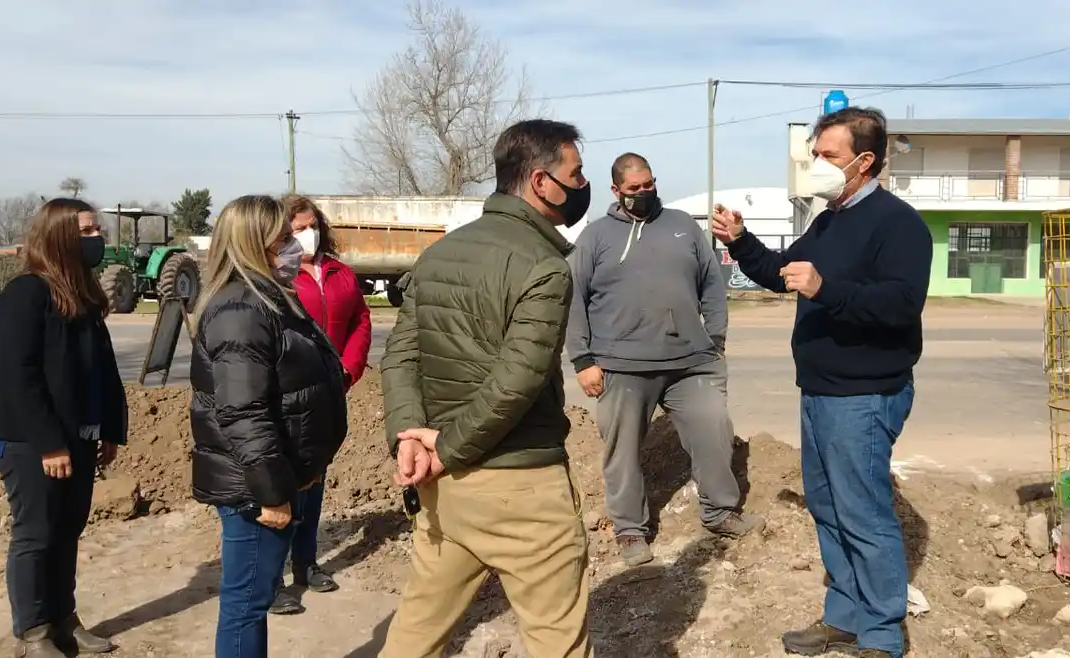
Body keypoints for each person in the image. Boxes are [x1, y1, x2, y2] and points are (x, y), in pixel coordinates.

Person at [710, 107, 931, 658]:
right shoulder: (830, 220)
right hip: (821, 391)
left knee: (863, 513)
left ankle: (882, 635)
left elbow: (902, 306)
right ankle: (844, 617)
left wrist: (826, 288)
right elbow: (783, 273)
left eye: (827, 154)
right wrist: (741, 241)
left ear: (865, 160)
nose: (816, 163)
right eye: (815, 152)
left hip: (865, 395)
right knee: (829, 509)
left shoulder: (898, 224)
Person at [379, 118, 593, 658]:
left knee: (413, 636)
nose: (582, 184)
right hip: (519, 485)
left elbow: (400, 355)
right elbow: (516, 383)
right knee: (557, 642)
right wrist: (445, 449)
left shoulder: (441, 253)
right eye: (577, 172)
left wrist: (410, 437)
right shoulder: (545, 266)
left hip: (441, 489)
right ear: (542, 182)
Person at [565, 152, 761, 567]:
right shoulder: (596, 237)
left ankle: (719, 510)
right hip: (621, 365)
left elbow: (711, 283)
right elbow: (574, 300)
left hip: (691, 362)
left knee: (715, 430)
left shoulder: (682, 226)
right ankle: (631, 529)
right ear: (616, 191)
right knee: (622, 451)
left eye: (649, 184)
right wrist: (583, 360)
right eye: (633, 189)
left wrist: (716, 340)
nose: (643, 193)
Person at [188, 194, 348, 658]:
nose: (295, 246)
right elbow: (244, 413)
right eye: (284, 239)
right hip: (254, 490)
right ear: (255, 244)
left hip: (276, 475)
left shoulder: (268, 297)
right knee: (246, 604)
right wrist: (273, 493)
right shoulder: (241, 310)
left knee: (249, 599)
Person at [0, 197, 128, 658]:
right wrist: (48, 444)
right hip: (29, 438)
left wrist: (110, 429)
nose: (95, 237)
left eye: (95, 229)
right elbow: (19, 375)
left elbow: (100, 370)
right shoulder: (26, 293)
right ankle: (33, 632)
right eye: (84, 231)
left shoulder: (82, 295)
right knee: (36, 533)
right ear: (57, 236)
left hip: (75, 435)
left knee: (67, 531)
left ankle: (64, 619)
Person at [266, 195, 373, 615]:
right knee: (283, 487)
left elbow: (361, 321)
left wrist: (347, 370)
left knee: (315, 482)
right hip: (288, 397)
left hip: (328, 395)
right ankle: (270, 579)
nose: (306, 234)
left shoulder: (340, 273)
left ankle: (305, 564)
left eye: (311, 225)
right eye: (296, 229)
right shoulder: (279, 278)